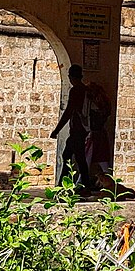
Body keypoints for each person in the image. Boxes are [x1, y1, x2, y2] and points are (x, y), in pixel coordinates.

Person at [51, 64, 91, 192]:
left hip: (77, 130)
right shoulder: (86, 90)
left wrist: (57, 130)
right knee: (75, 157)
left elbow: (69, 111)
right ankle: (77, 184)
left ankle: (66, 185)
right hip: (84, 129)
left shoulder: (76, 90)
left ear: (71, 77)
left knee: (72, 157)